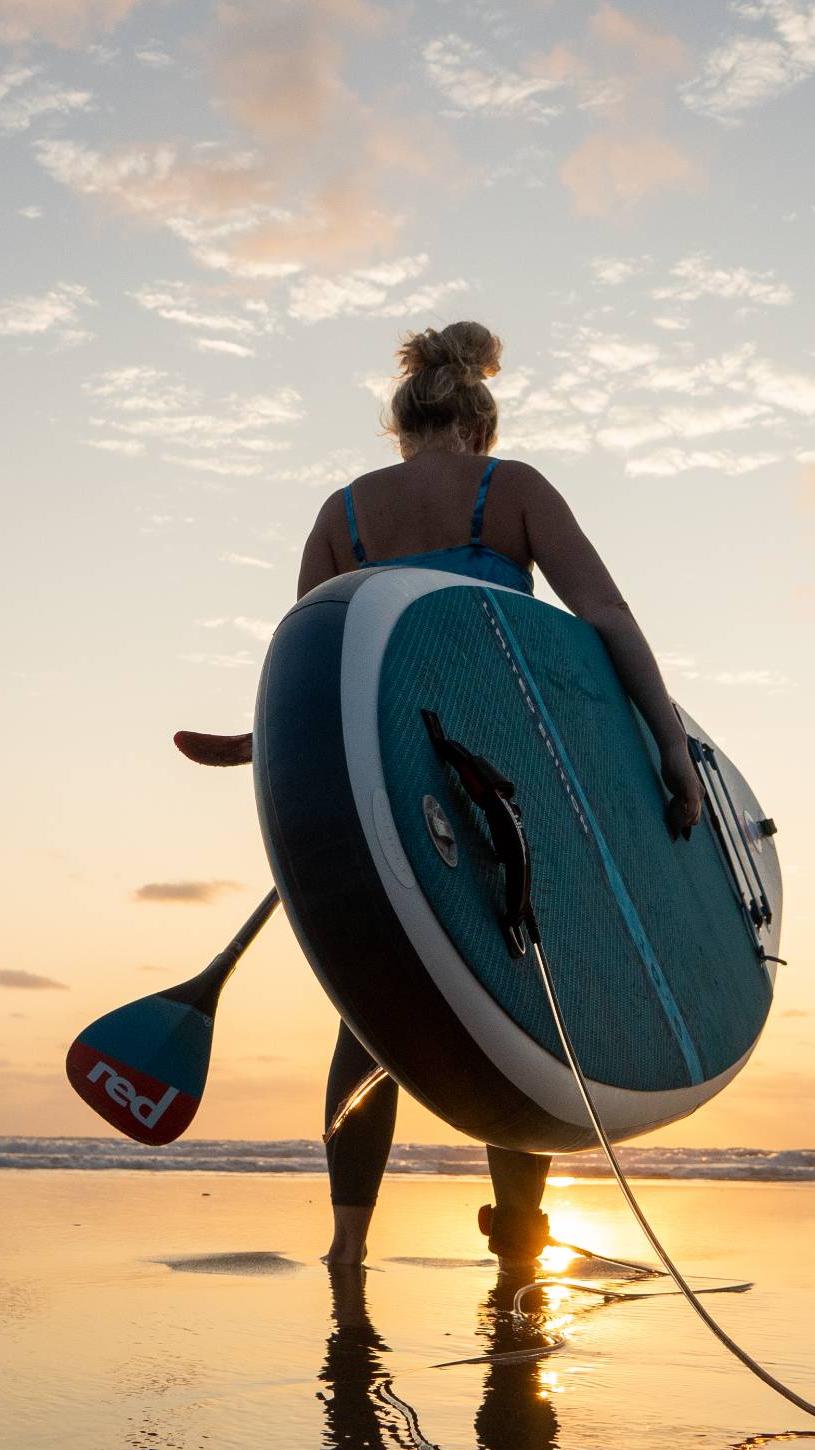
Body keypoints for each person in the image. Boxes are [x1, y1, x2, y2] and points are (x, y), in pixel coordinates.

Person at [176, 319, 701, 1269]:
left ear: (406, 422)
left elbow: (306, 682)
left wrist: (250, 750)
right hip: (499, 782)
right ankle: (521, 1239)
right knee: (517, 991)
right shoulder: (513, 491)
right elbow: (607, 616)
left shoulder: (341, 516)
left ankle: (346, 1244)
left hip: (385, 798)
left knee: (372, 1009)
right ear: (479, 427)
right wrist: (669, 744)